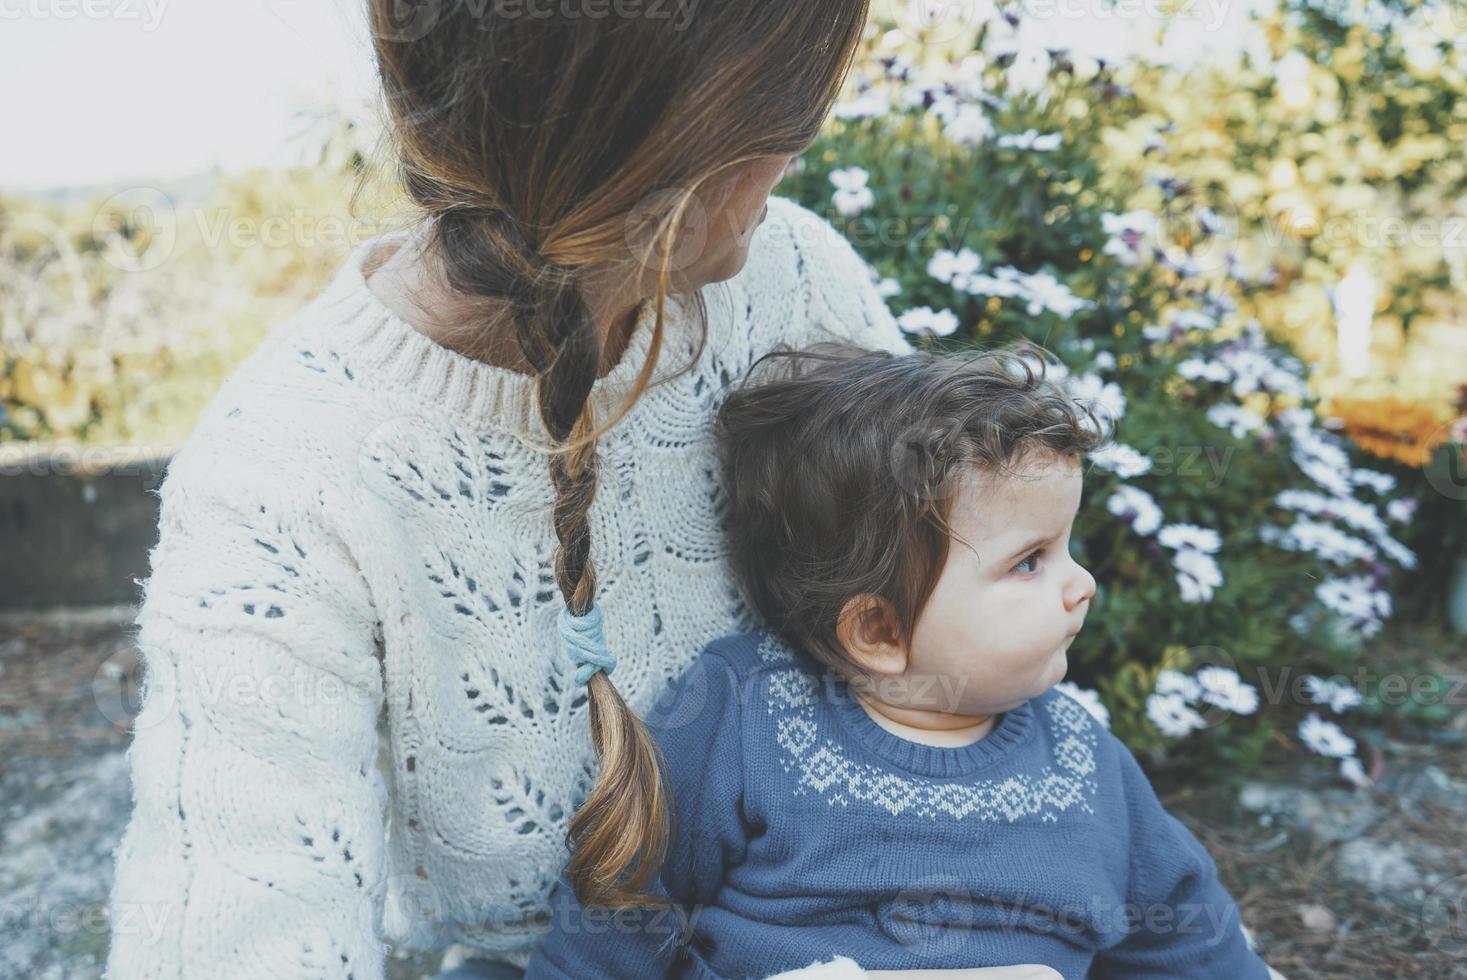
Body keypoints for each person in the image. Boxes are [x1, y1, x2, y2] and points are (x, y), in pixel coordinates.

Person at [104, 2, 1058, 977]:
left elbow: (967, 618)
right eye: (794, 110)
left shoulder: (792, 283)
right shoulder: (284, 473)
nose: (805, 145)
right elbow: (235, 918)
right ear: (694, 129)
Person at [525, 344, 1288, 979]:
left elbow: (1193, 942)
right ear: (879, 631)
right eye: (1030, 562)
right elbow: (622, 892)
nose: (1081, 584)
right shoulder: (747, 710)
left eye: (1065, 549)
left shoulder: (1083, 761)